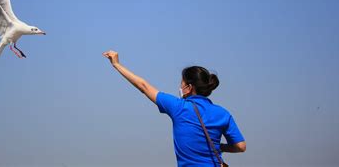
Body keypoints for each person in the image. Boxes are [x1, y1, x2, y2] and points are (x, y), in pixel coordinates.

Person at [102, 50, 246, 167]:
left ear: (189, 88)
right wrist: (220, 147)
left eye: (182, 83)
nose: (180, 87)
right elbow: (240, 146)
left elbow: (143, 86)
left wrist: (116, 64)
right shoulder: (223, 113)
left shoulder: (179, 107)